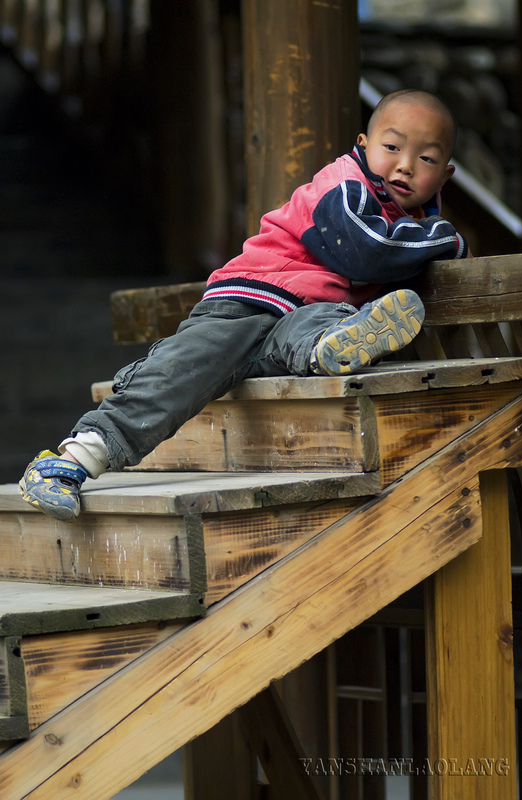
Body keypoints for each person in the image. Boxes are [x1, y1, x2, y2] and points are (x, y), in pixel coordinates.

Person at [20, 89, 470, 522]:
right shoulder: (343, 187)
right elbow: (368, 252)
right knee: (177, 373)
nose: (406, 166)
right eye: (392, 147)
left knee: (325, 322)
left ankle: (331, 347)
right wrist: (449, 241)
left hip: (294, 326)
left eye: (426, 158)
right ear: (363, 145)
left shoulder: (408, 225)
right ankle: (73, 460)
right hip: (249, 303)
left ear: (444, 175)